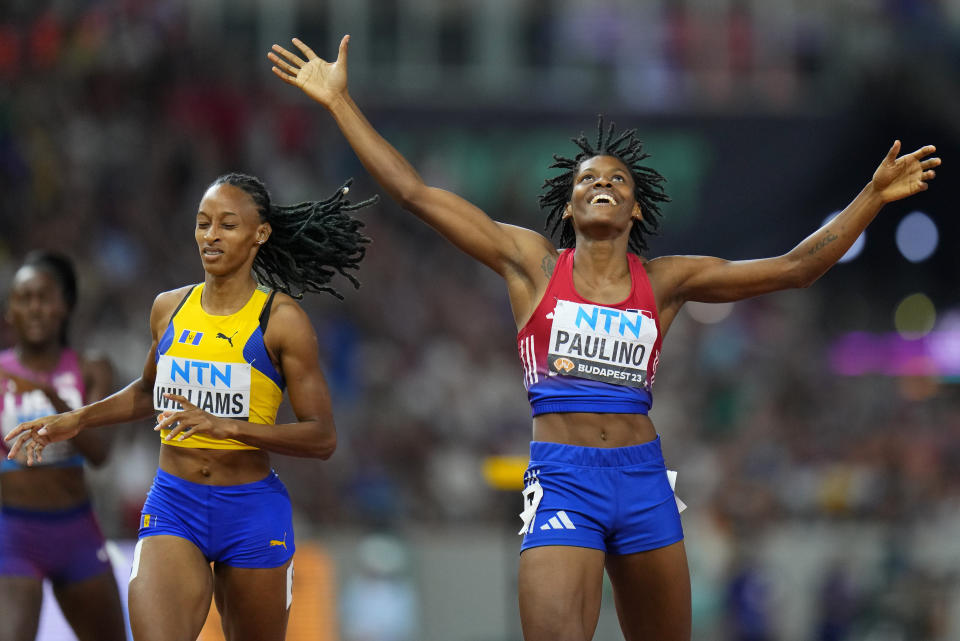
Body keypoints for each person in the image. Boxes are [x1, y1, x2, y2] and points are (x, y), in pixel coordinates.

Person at [268, 35, 940, 641]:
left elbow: (797, 269)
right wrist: (339, 100)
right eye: (588, 178)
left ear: (636, 206)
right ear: (567, 205)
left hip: (644, 478)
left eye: (616, 180)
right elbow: (414, 192)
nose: (601, 184)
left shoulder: (668, 281)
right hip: (563, 480)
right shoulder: (530, 264)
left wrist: (871, 198)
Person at [6, 173, 376, 641]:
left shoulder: (280, 321)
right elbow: (146, 391)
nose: (211, 236)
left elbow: (322, 437)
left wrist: (231, 428)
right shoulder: (169, 308)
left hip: (251, 512)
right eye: (203, 224)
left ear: (259, 234)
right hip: (174, 504)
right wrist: (75, 419)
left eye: (227, 225)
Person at [0, 251, 126, 641]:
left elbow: (101, 453)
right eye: (24, 298)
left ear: (65, 306)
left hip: (77, 532)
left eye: (44, 297)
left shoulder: (91, 369)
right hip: (15, 533)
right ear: (10, 311)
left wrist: (53, 400)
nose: (35, 308)